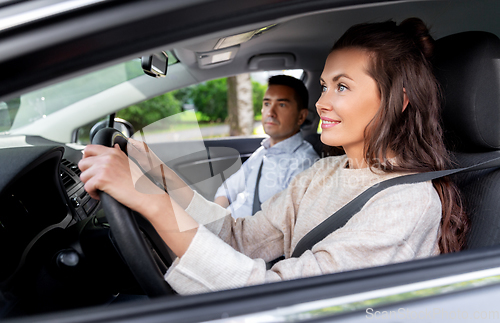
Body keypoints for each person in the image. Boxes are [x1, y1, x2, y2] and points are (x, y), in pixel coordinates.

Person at [79, 17, 468, 295]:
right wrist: (158, 175)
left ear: (399, 100)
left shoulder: (407, 202)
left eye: (342, 87)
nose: (321, 102)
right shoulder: (325, 172)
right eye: (324, 86)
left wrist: (151, 203)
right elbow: (238, 238)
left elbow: (282, 298)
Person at [214, 75, 319, 218]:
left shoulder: (304, 164)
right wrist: (214, 221)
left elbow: (282, 228)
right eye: (267, 104)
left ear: (301, 117)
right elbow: (228, 189)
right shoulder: (263, 151)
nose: (270, 113)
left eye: (281, 105)